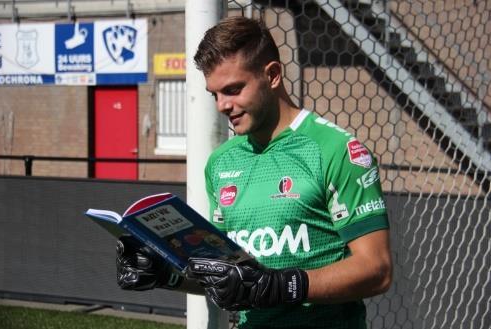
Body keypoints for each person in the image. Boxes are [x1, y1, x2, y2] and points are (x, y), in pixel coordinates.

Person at [116, 16, 392, 328]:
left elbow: (377, 270)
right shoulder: (221, 163)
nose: (222, 105)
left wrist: (282, 285)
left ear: (272, 75)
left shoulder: (337, 151)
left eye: (233, 89)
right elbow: (228, 278)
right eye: (215, 94)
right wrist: (162, 273)